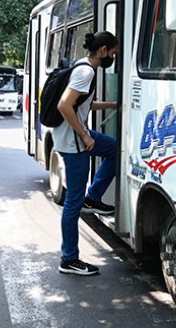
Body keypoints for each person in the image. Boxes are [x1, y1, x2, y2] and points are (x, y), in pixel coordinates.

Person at [55, 31, 119, 276]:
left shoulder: (82, 67)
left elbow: (82, 103)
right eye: (112, 53)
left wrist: (111, 105)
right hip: (74, 144)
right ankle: (69, 259)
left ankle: (93, 197)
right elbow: (64, 104)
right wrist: (84, 135)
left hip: (74, 138)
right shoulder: (86, 71)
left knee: (114, 150)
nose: (113, 57)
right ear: (103, 51)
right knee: (72, 203)